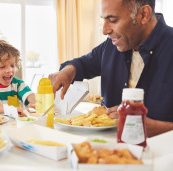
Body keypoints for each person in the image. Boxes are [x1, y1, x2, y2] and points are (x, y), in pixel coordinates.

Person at [49, 0, 173, 137]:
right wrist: (68, 71)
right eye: (104, 19)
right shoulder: (112, 45)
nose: (104, 30)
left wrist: (156, 128)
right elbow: (83, 64)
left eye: (113, 20)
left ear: (144, 14)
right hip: (109, 149)